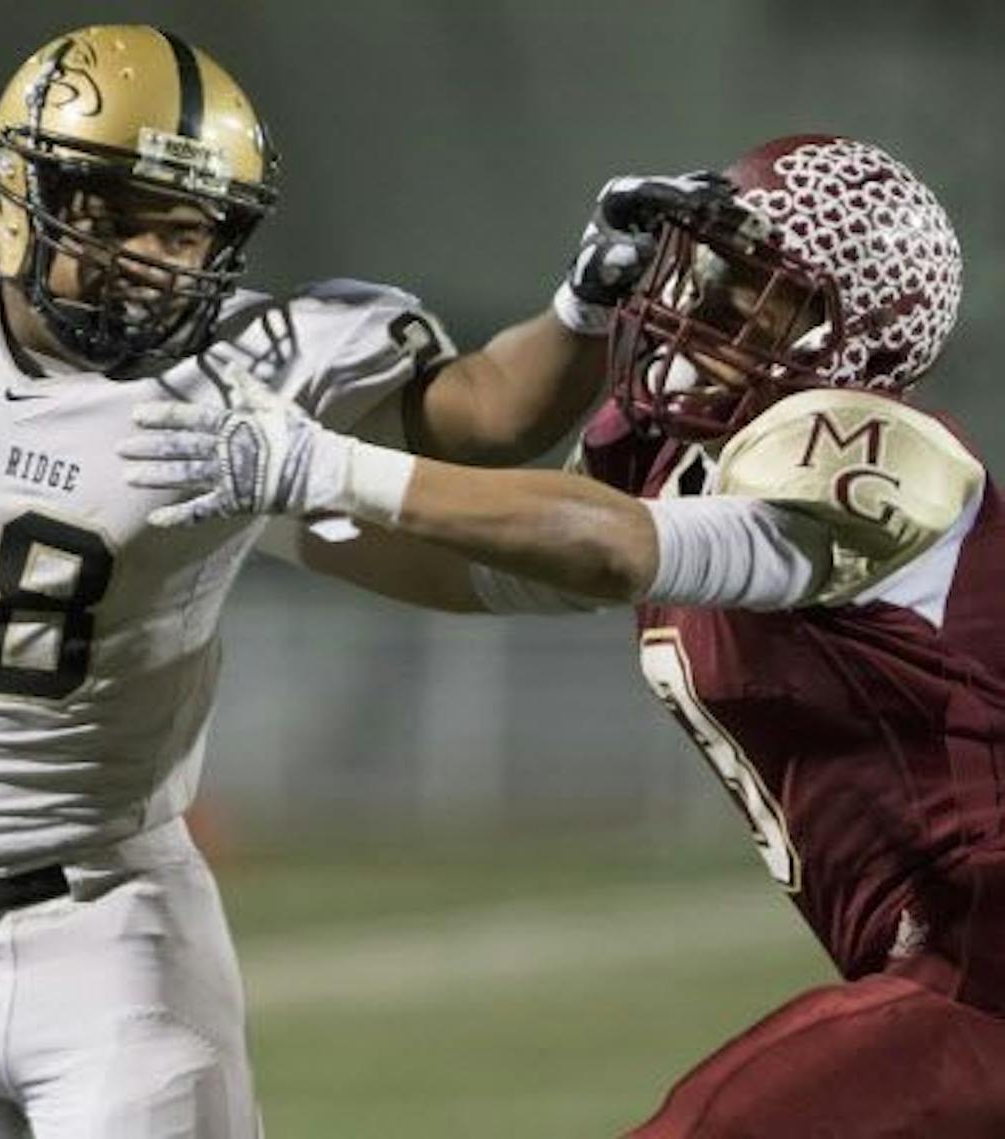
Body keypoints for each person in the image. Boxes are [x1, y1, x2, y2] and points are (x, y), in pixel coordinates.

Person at [0, 22, 694, 1139]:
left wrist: (586, 305)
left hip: (109, 945)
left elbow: (486, 418)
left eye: (186, 230)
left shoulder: (248, 363)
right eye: (114, 216)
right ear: (18, 195)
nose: (151, 260)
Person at [123, 134, 1005, 1136]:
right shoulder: (670, 454)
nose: (710, 307)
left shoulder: (882, 454)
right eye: (716, 270)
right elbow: (497, 567)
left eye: (765, 292)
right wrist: (251, 518)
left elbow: (612, 549)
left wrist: (327, 466)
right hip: (946, 968)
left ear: (861, 340)